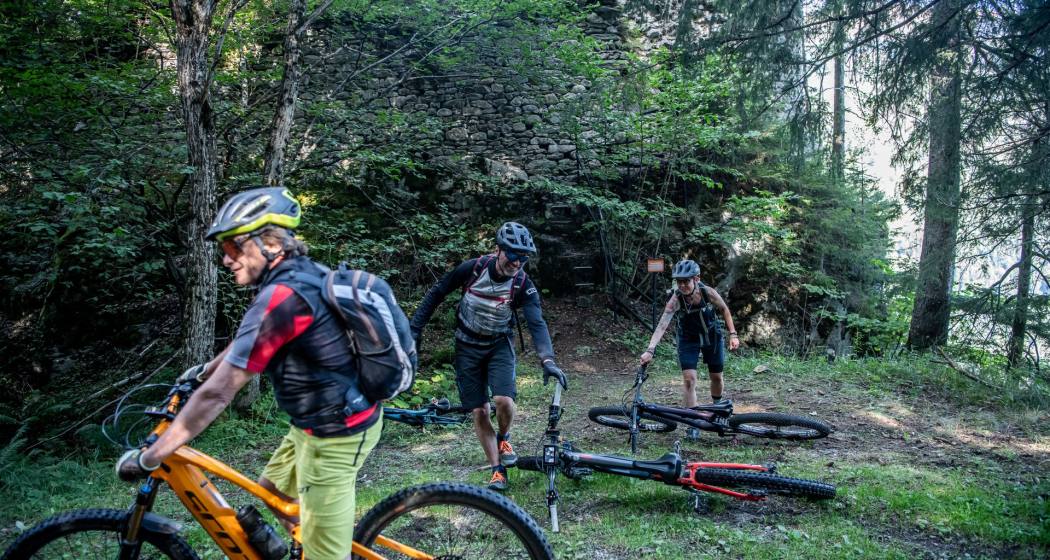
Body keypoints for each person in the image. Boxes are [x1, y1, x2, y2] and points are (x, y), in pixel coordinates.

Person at [116, 187, 385, 560]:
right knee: (273, 493)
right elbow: (250, 340)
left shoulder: (283, 296)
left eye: (232, 247)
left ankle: (327, 548)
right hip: (319, 418)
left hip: (337, 434)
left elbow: (218, 394)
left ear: (270, 244)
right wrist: (204, 370)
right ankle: (318, 543)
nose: (226, 259)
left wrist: (150, 457)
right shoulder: (300, 277)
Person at [411, 221, 567, 491]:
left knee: (503, 401)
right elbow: (438, 292)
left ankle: (504, 438)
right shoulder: (473, 268)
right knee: (480, 410)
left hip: (498, 345)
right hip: (467, 346)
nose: (517, 263)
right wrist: (415, 329)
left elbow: (536, 323)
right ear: (497, 250)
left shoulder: (523, 283)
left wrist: (548, 360)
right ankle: (497, 470)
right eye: (512, 254)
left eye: (523, 258)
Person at [639, 259, 739, 440]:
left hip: (711, 336)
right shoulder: (675, 300)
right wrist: (650, 349)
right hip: (688, 339)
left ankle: (717, 408)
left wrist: (733, 334)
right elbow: (661, 326)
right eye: (679, 281)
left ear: (696, 278)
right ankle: (693, 424)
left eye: (686, 281)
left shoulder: (707, 292)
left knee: (716, 377)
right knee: (689, 380)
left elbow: (725, 309)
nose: (682, 285)